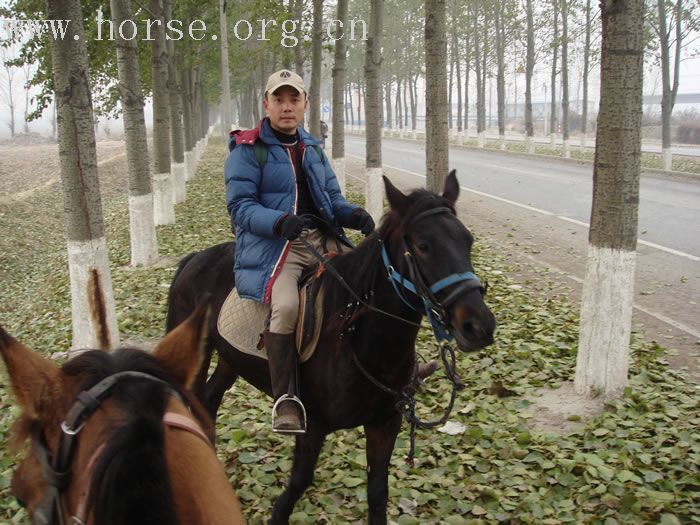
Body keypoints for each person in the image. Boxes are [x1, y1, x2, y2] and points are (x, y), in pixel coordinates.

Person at [224, 69, 375, 433]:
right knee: (287, 306)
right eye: (279, 99)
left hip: (321, 238)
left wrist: (352, 214)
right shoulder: (250, 150)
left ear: (305, 105)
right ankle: (287, 398)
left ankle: (386, 368)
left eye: (294, 99)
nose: (287, 107)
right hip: (279, 245)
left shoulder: (313, 148)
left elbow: (332, 199)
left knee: (372, 282)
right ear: (266, 104)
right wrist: (278, 222)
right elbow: (240, 207)